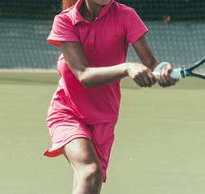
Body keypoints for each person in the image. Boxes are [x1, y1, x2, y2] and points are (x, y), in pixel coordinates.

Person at [44, 0, 177, 193]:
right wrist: (127, 68)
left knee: (88, 179)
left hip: (104, 119)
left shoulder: (126, 15)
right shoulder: (64, 21)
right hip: (67, 113)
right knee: (90, 171)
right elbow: (83, 74)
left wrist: (163, 71)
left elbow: (151, 63)